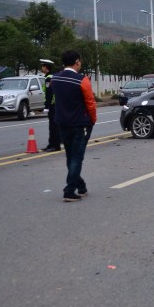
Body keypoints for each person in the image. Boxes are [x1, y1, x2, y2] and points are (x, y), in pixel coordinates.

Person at [52, 50, 97, 202]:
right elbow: (90, 103)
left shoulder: (55, 78)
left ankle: (81, 185)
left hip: (62, 123)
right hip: (79, 123)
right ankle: (69, 190)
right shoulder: (82, 80)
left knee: (70, 156)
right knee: (77, 158)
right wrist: (92, 119)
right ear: (77, 61)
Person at [40, 59, 61, 152]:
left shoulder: (49, 78)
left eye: (43, 66)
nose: (42, 68)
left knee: (53, 126)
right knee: (52, 125)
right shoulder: (52, 76)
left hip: (52, 105)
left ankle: (55, 145)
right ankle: (51, 144)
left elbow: (49, 93)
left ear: (46, 67)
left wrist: (47, 107)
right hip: (54, 105)